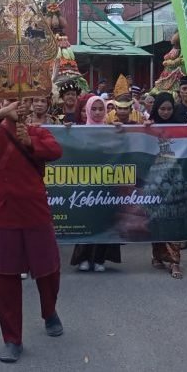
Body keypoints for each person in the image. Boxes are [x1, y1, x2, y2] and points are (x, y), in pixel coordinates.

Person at [0, 100, 63, 363]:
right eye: (14, 103)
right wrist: (0, 114)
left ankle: (49, 311)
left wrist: (30, 143)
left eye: (26, 102)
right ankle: (12, 339)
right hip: (3, 213)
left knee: (49, 269)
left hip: (36, 211)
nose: (20, 107)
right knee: (5, 276)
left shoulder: (38, 131)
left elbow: (56, 151)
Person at [70, 96, 122, 272]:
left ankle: (100, 259)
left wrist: (121, 132)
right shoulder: (79, 132)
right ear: (87, 111)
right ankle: (83, 258)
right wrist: (66, 132)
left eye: (101, 109)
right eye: (94, 109)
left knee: (104, 221)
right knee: (87, 220)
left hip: (107, 184)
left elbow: (121, 151)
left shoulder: (112, 130)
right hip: (86, 185)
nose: (98, 112)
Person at [144, 92, 183, 279]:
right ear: (156, 109)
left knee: (173, 218)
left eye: (169, 109)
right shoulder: (148, 126)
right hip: (155, 181)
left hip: (175, 182)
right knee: (156, 219)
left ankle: (175, 262)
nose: (166, 112)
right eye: (162, 109)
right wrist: (146, 129)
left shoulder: (181, 127)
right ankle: (158, 256)